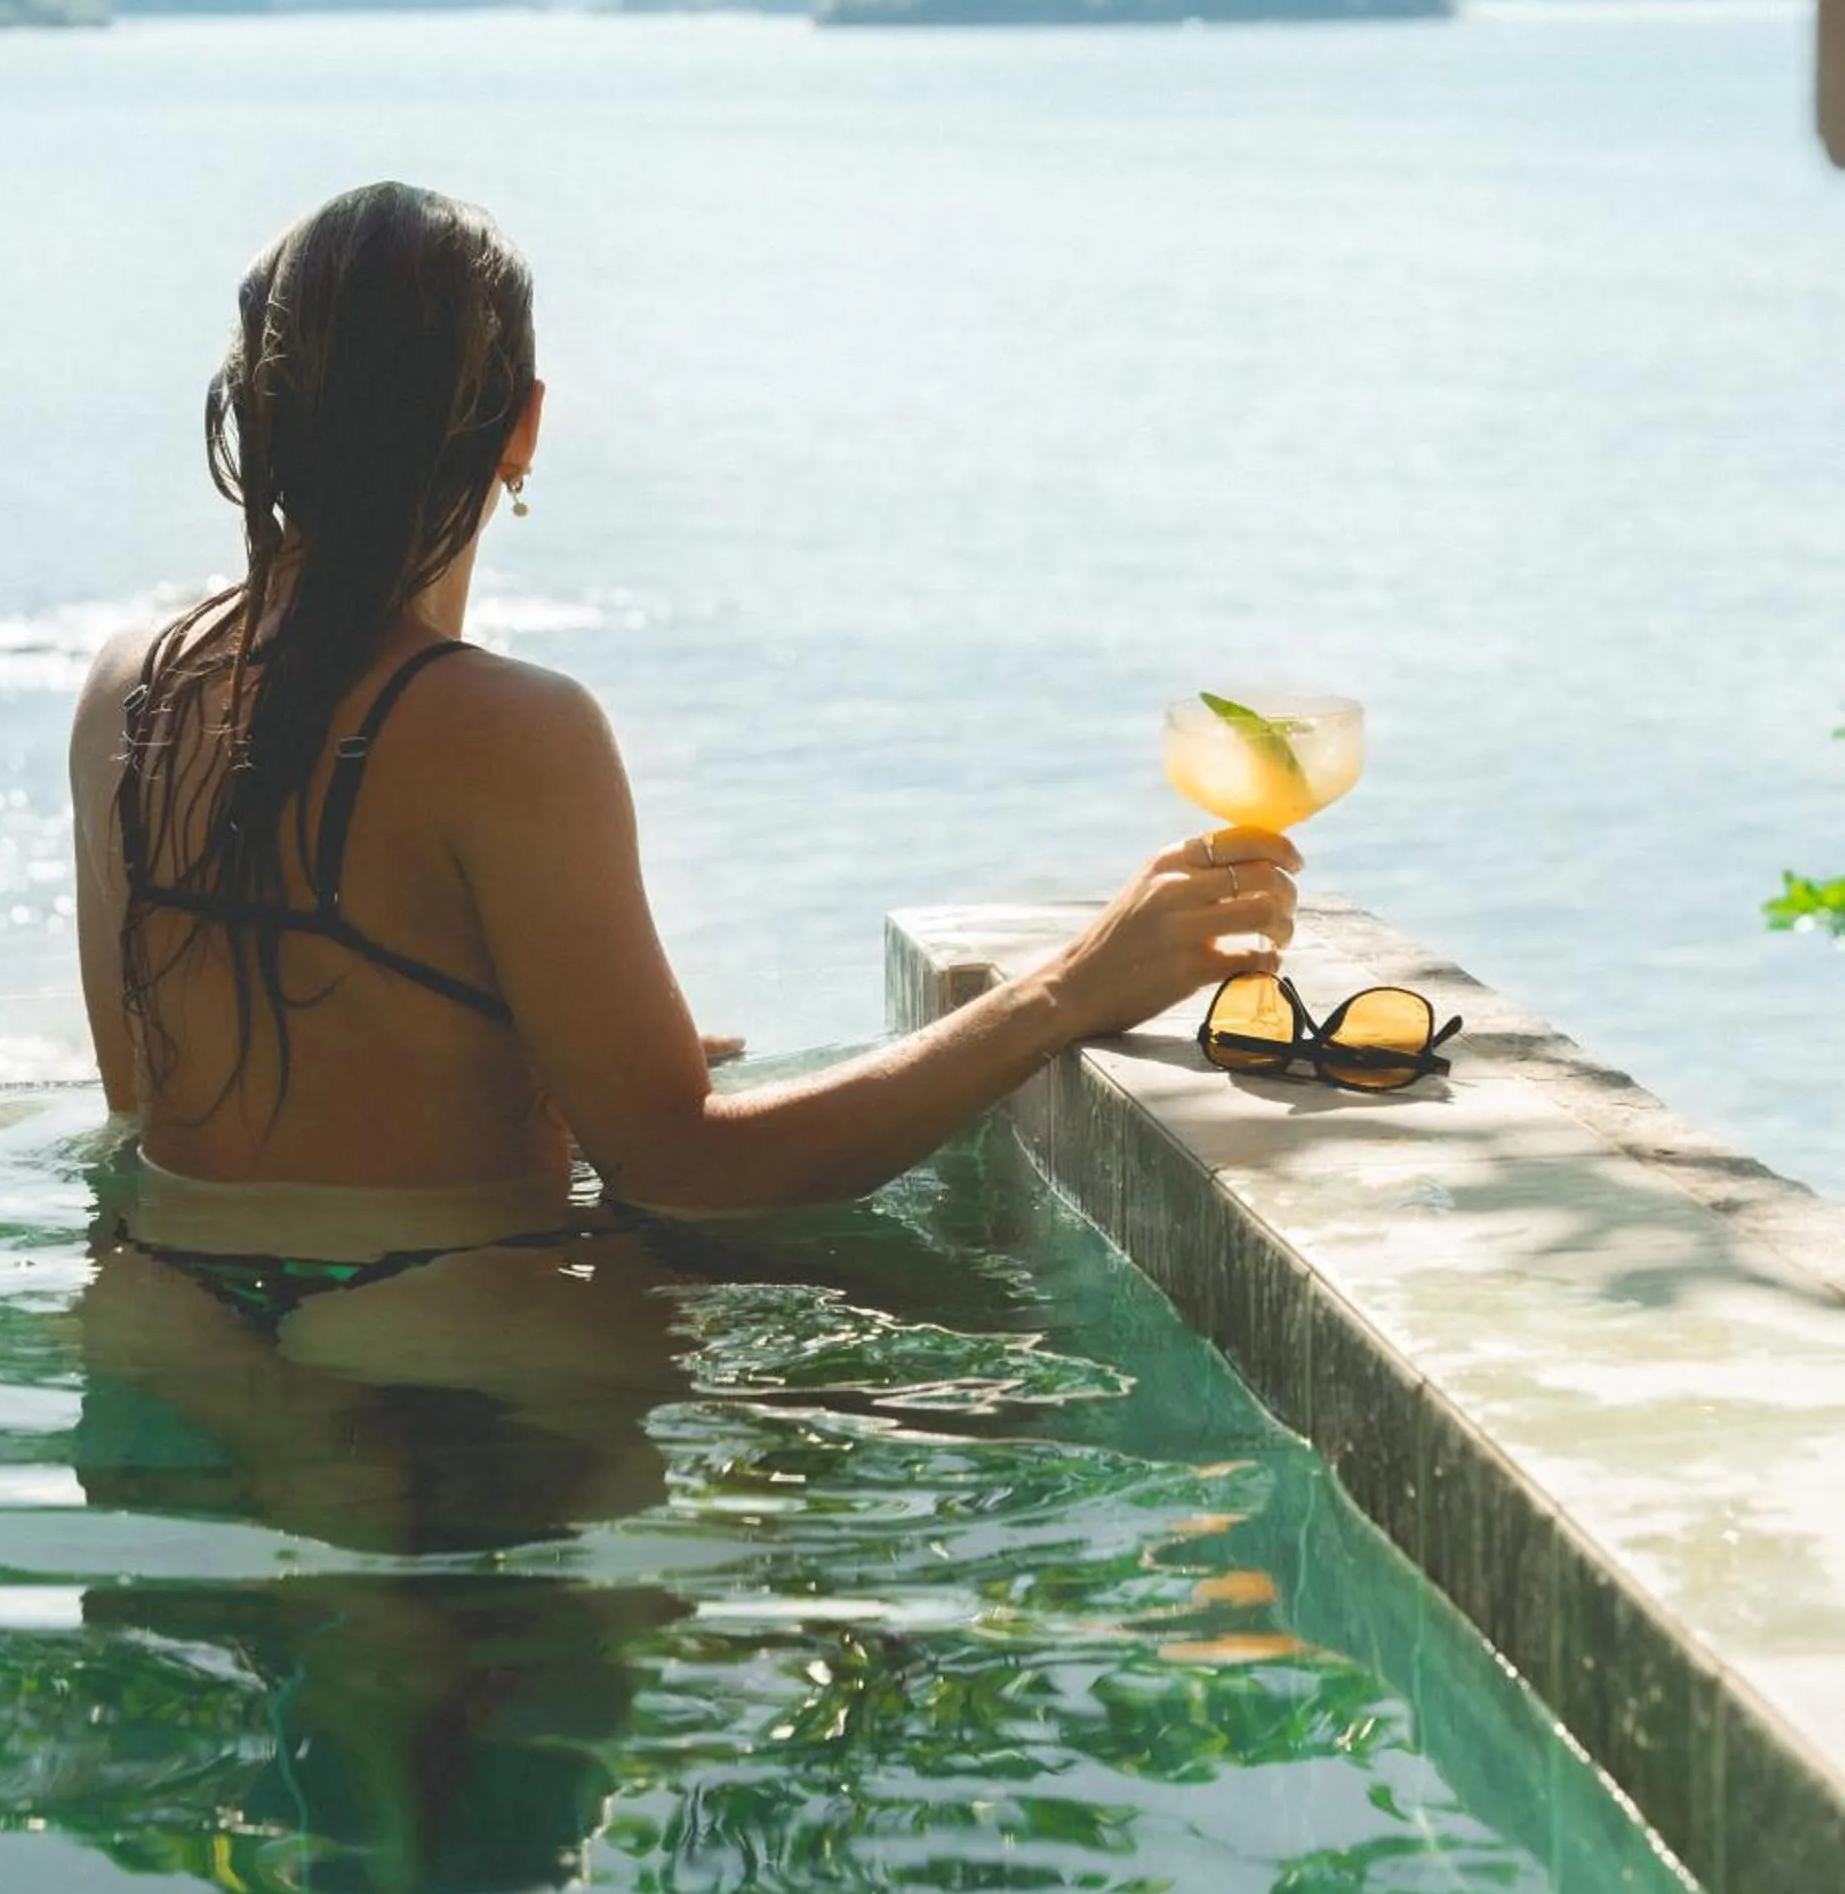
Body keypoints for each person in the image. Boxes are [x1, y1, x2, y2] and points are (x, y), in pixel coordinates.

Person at [70, 180, 1299, 1239]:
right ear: (524, 429)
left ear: (261, 416)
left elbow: (154, 1111)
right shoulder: (510, 734)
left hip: (176, 1328)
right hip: (455, 1382)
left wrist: (538, 1070)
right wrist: (1070, 987)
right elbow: (690, 1176)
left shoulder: (128, 685)